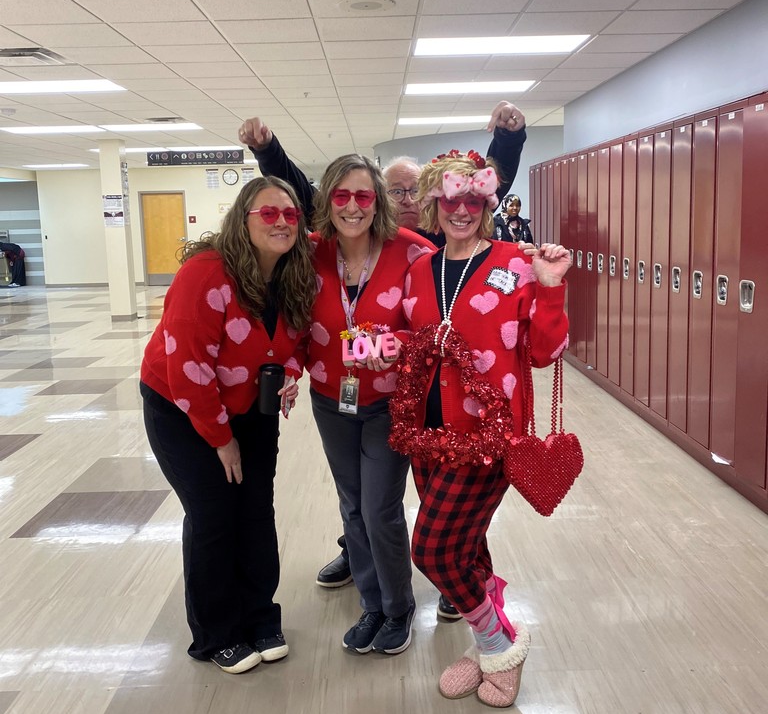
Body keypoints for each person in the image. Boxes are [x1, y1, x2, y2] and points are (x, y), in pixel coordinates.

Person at [240, 102, 530, 611]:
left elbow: (475, 196)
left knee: (403, 509)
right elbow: (305, 205)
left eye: (387, 194)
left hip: (417, 403)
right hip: (344, 398)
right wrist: (268, 152)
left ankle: (449, 582)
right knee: (359, 504)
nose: (365, 204)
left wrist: (507, 144)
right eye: (393, 191)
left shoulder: (422, 247)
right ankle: (372, 568)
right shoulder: (318, 249)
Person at [239, 117, 435, 656]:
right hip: (332, 401)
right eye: (342, 196)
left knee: (379, 510)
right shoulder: (312, 251)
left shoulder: (412, 251)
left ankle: (399, 610)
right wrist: (293, 370)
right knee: (352, 507)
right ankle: (372, 605)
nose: (353, 206)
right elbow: (297, 323)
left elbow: (442, 316)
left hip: (390, 405)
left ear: (379, 203)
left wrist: (391, 345)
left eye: (364, 197)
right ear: (328, 201)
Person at [389, 149, 570, 708]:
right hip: (428, 435)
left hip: (489, 437)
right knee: (467, 548)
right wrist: (382, 353)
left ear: (486, 202)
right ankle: (483, 643)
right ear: (434, 204)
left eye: (472, 200)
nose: (461, 210)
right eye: (450, 200)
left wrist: (550, 287)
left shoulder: (516, 262)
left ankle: (499, 645)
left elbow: (546, 351)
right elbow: (409, 345)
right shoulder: (420, 270)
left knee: (435, 552)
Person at [140, 177, 316, 674]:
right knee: (213, 514)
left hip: (251, 406)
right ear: (243, 219)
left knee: (256, 511)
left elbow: (297, 343)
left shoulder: (294, 273)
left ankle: (260, 615)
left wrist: (292, 374)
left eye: (290, 213)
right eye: (268, 212)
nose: (281, 221)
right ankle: (216, 632)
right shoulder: (207, 273)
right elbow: (188, 370)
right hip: (182, 408)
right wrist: (221, 440)